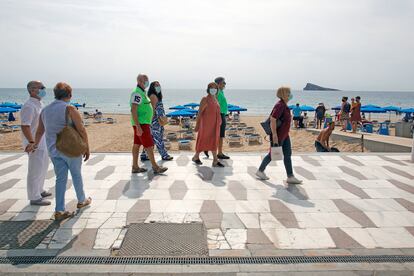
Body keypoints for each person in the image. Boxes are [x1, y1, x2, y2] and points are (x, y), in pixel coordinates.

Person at [30, 82, 91, 220]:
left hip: (53, 150)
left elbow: (40, 131)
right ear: (69, 95)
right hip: (70, 149)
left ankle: (59, 210)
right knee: (76, 174)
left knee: (60, 179)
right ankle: (82, 200)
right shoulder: (70, 108)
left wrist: (34, 144)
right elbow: (81, 129)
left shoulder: (45, 110)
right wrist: (87, 146)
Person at [256, 87, 302, 184]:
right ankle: (260, 171)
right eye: (289, 93)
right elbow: (273, 119)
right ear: (284, 94)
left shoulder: (284, 105)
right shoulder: (280, 105)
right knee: (272, 154)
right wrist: (275, 135)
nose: (290, 95)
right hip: (279, 135)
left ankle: (290, 176)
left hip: (285, 135)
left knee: (288, 154)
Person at [21, 81, 51, 206]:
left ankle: (40, 190)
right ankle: (34, 197)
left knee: (43, 166)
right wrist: (31, 142)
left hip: (43, 141)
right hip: (34, 143)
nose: (44, 89)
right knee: (35, 169)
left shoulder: (39, 103)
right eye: (41, 88)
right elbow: (25, 126)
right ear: (32, 90)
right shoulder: (29, 106)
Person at [130, 74, 168, 174]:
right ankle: (155, 167)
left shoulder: (142, 92)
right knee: (149, 145)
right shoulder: (137, 93)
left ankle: (135, 166)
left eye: (147, 79)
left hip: (143, 123)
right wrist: (138, 126)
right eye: (144, 80)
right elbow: (133, 110)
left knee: (137, 144)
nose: (146, 81)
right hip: (141, 124)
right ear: (138, 81)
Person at [192, 82, 224, 167]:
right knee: (203, 140)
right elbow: (199, 113)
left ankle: (215, 160)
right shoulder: (205, 99)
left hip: (215, 125)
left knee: (214, 141)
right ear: (208, 89)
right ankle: (196, 156)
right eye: (211, 88)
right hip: (206, 125)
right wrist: (197, 125)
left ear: (217, 90)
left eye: (215, 88)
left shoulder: (215, 99)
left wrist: (219, 121)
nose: (213, 89)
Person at [140, 81, 173, 161]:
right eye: (156, 85)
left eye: (159, 85)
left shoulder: (156, 96)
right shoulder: (153, 96)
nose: (158, 87)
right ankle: (164, 155)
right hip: (155, 122)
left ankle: (144, 154)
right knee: (159, 139)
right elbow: (152, 110)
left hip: (157, 121)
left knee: (151, 139)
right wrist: (149, 122)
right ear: (152, 87)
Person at [214, 77, 230, 159]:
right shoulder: (217, 93)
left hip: (222, 114)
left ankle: (219, 152)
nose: (225, 84)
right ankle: (219, 153)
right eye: (224, 82)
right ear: (219, 83)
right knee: (220, 135)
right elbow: (215, 106)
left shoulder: (221, 92)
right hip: (219, 115)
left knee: (221, 135)